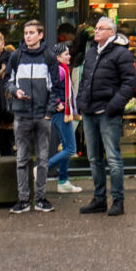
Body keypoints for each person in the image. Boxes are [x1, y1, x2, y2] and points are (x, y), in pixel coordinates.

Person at [76, 17, 135, 216]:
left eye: (101, 28)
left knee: (113, 158)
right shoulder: (92, 52)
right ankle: (99, 199)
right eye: (96, 28)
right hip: (90, 111)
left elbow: (129, 83)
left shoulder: (121, 53)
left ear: (112, 32)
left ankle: (118, 201)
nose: (96, 31)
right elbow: (85, 79)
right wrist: (81, 102)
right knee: (94, 159)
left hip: (108, 113)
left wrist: (113, 106)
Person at [5, 20, 64, 214]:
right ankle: (23, 199)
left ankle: (39, 198)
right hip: (21, 114)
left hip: (41, 115)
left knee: (43, 159)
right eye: (26, 32)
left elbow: (54, 88)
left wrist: (48, 113)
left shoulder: (49, 56)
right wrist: (15, 92)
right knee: (22, 158)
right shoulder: (16, 56)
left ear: (41, 35)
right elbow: (7, 81)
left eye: (31, 32)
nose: (27, 36)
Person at [47, 42, 82, 194]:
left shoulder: (61, 69)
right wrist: (57, 103)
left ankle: (63, 181)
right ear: (58, 56)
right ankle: (42, 168)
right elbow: (48, 88)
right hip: (62, 114)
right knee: (70, 149)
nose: (69, 56)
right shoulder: (60, 70)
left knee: (66, 147)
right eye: (66, 54)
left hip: (62, 113)